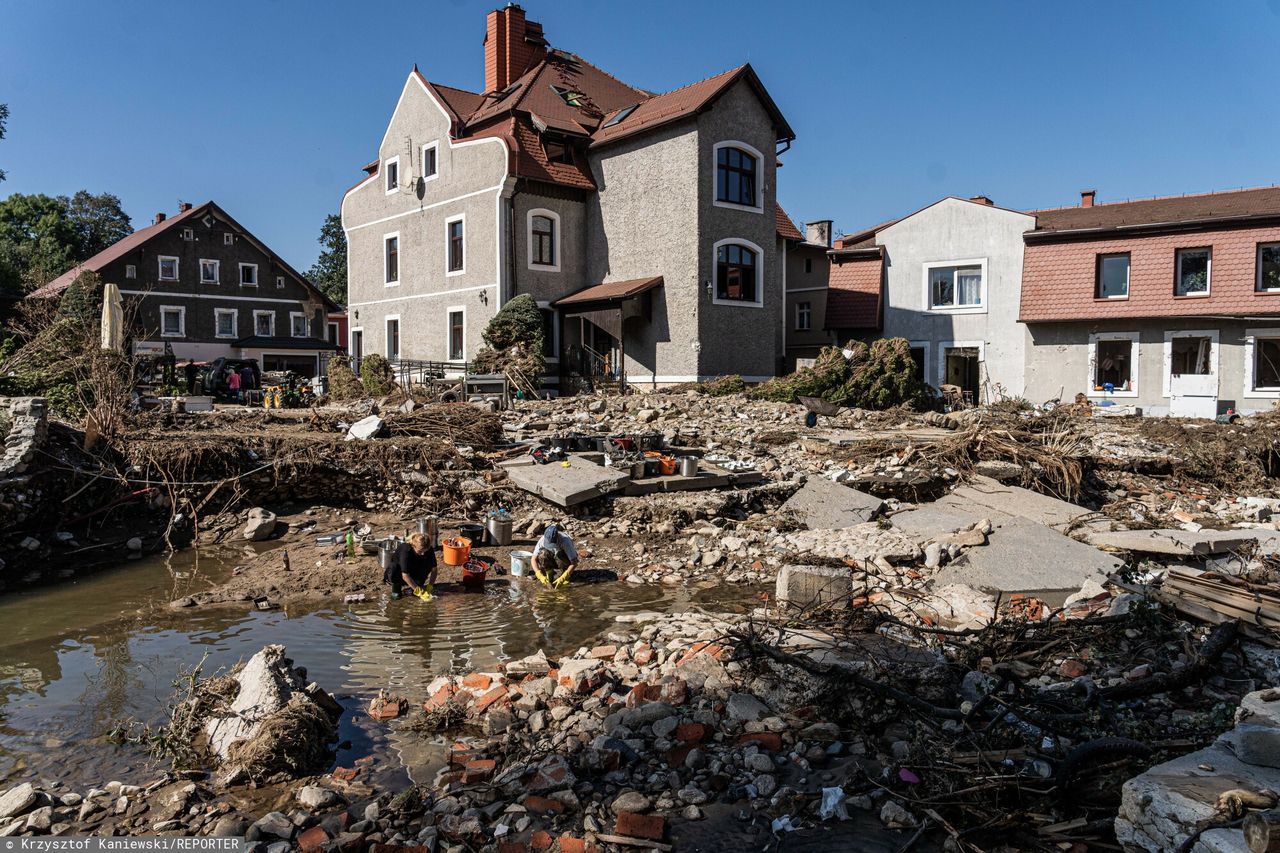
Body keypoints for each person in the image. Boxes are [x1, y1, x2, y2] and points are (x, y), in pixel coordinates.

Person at [385, 532, 437, 599]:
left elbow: (434, 569)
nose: (423, 554)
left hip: (415, 570)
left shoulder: (429, 549)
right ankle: (396, 589)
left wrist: (430, 586)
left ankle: (416, 586)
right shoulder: (405, 550)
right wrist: (420, 593)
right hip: (400, 573)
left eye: (425, 551)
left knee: (427, 563)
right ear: (413, 546)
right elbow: (405, 575)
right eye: (420, 551)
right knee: (394, 567)